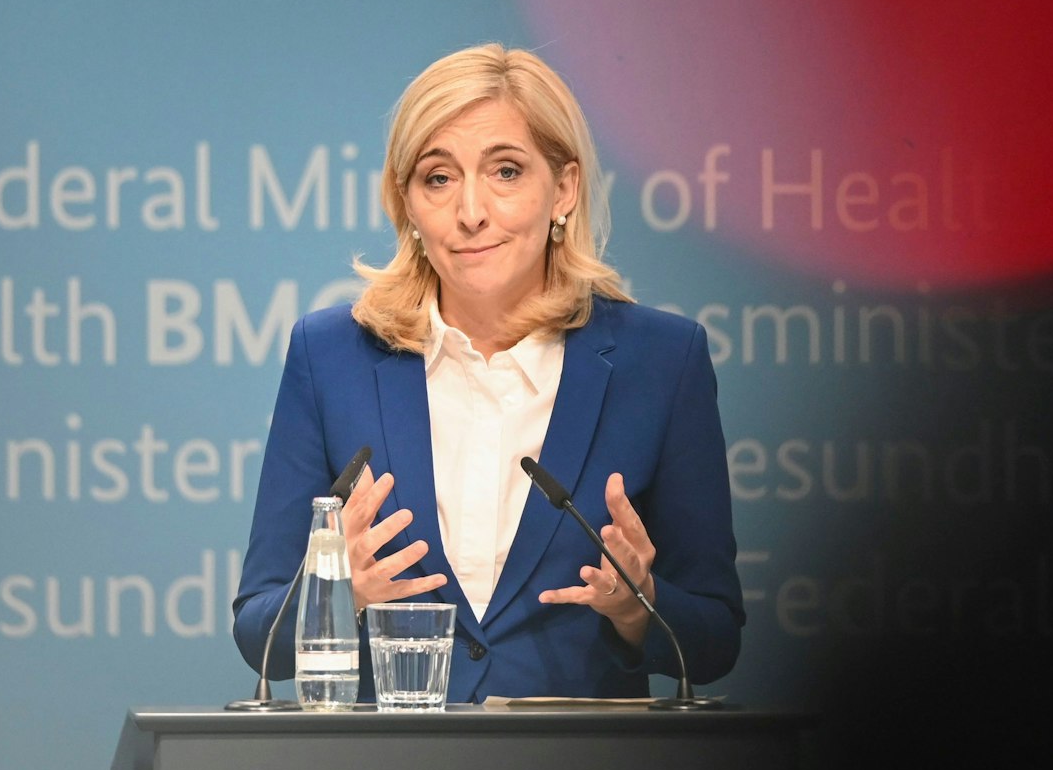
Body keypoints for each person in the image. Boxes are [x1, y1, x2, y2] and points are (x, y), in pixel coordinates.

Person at [231, 43, 744, 702]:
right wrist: (334, 593)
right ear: (408, 204)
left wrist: (637, 605)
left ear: (563, 188)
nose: (471, 211)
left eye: (505, 171)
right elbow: (257, 633)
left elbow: (716, 639)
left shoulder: (662, 363)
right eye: (438, 178)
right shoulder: (331, 357)